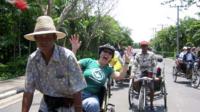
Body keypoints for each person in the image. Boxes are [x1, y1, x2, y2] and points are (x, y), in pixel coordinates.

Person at [22, 16, 87, 112]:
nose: (43, 40)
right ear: (35, 39)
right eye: (39, 37)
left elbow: (77, 91)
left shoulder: (67, 56)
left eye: (48, 36)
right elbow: (28, 91)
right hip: (46, 105)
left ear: (54, 37)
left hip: (68, 107)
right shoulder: (33, 59)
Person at [69, 35, 130, 112]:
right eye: (105, 51)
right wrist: (74, 49)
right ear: (100, 53)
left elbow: (120, 76)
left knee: (93, 105)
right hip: (75, 93)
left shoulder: (109, 70)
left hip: (90, 97)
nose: (107, 54)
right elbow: (72, 65)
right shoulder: (89, 61)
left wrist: (127, 62)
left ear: (111, 58)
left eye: (110, 53)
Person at [130, 40, 157, 110]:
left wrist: (154, 74)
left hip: (150, 72)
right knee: (135, 81)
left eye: (145, 46)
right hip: (141, 71)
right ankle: (140, 94)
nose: (144, 47)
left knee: (151, 88)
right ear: (141, 47)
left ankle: (151, 104)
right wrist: (133, 73)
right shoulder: (138, 55)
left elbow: (154, 65)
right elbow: (135, 65)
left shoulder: (152, 54)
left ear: (147, 47)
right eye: (142, 46)